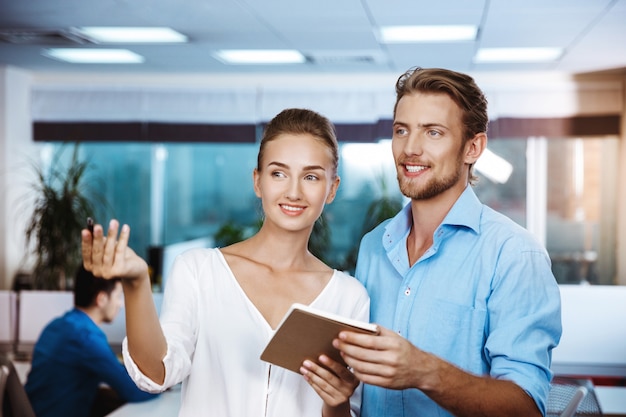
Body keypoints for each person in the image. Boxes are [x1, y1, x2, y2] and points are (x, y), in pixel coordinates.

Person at [81, 108, 371, 417]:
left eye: (311, 176)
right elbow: (156, 374)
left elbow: (345, 413)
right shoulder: (198, 271)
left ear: (333, 188)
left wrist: (336, 401)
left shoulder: (349, 297)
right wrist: (137, 282)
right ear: (257, 181)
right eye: (278, 173)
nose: (294, 191)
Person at [334, 67, 562, 417]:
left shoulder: (514, 254)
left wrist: (425, 371)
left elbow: (526, 408)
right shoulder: (373, 246)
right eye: (401, 131)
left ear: (473, 147)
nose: (410, 148)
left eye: (433, 132)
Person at [24, 265, 158, 417]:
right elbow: (133, 391)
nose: (120, 304)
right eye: (118, 296)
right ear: (101, 299)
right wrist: (160, 382)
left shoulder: (56, 325)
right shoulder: (86, 337)